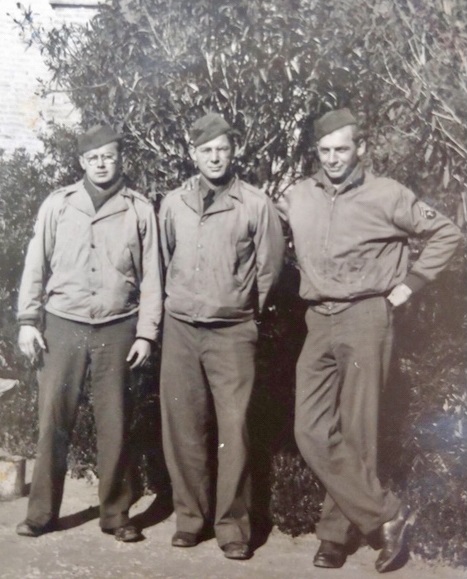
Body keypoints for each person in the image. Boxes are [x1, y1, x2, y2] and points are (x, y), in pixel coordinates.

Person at [277, 108, 462, 572]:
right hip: (318, 317)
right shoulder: (299, 194)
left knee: (358, 430)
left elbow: (445, 232)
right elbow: (265, 220)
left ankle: (335, 537)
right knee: (309, 429)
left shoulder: (387, 194)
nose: (333, 158)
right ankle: (388, 514)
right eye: (325, 150)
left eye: (342, 149)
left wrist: (410, 285)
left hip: (365, 316)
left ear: (360, 148)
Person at [16, 124, 163, 542]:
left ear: (120, 160)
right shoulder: (59, 204)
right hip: (63, 325)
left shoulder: (139, 209)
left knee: (115, 422)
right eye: (93, 158)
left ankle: (116, 514)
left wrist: (146, 333)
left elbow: (153, 275)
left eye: (108, 157)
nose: (101, 164)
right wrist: (27, 321)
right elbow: (35, 264)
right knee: (53, 421)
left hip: (118, 327)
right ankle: (41, 513)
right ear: (82, 161)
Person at [158, 112, 284, 560]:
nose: (215, 157)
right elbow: (164, 259)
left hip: (232, 330)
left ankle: (233, 527)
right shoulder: (173, 203)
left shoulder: (255, 203)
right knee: (183, 426)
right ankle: (190, 518)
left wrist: (241, 308)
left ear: (234, 153)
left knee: (235, 429)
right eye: (206, 150)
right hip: (180, 328)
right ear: (193, 154)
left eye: (222, 149)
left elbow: (270, 269)